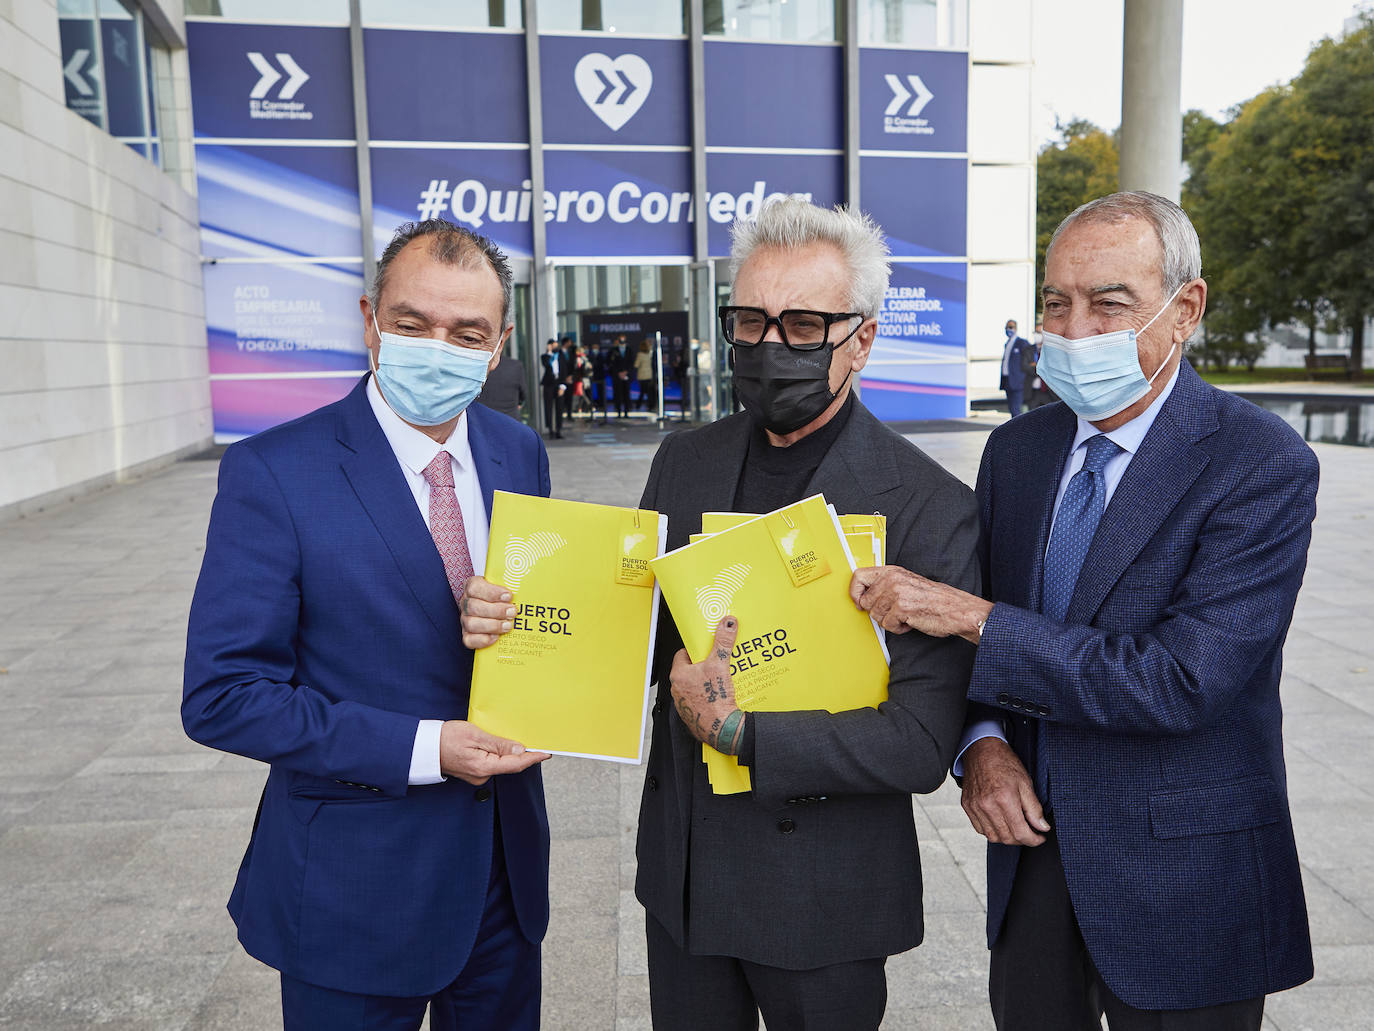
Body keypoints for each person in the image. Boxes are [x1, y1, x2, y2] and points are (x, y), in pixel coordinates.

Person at [463, 199, 979, 1029]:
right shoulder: (686, 458)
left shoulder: (928, 505)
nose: (770, 347)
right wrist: (515, 624)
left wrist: (740, 733)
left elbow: (919, 742)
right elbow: (629, 636)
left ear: (863, 340)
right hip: (688, 880)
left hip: (824, 901)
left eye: (803, 324)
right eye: (748, 320)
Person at [851, 191, 1316, 1031]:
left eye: (1109, 304)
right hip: (1032, 869)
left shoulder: (1260, 462)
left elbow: (1180, 681)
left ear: (1186, 310)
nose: (1071, 331)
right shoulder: (1018, 452)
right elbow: (985, 664)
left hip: (1184, 885)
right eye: (1056, 302)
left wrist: (971, 616)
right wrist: (982, 747)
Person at [182, 219, 553, 1031]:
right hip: (353, 891)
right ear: (370, 320)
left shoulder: (518, 451)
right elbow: (224, 693)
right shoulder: (275, 472)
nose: (437, 346)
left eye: (467, 332)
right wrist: (427, 747)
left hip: (502, 879)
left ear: (499, 346)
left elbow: (532, 625)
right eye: (413, 323)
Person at [477, 344, 526, 421]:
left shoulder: (477, 367)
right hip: (510, 420)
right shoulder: (516, 366)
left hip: (482, 420)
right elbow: (523, 393)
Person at [999, 319, 1035, 417]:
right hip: (1007, 380)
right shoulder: (1007, 344)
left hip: (1018, 382)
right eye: (1006, 327)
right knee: (1012, 408)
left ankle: (1019, 431)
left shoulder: (1021, 343)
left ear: (1016, 328)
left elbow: (1030, 358)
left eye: (1011, 327)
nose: (1008, 330)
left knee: (1016, 410)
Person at [539, 337, 564, 439]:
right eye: (553, 345)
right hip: (548, 383)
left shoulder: (560, 356)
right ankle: (550, 430)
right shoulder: (545, 356)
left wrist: (563, 386)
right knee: (548, 407)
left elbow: (564, 370)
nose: (555, 346)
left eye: (556, 345)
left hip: (559, 383)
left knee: (559, 407)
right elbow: (546, 365)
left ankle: (558, 430)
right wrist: (549, 352)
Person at [609, 334, 633, 418]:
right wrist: (618, 373)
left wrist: (626, 372)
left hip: (626, 375)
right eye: (620, 339)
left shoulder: (629, 350)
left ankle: (626, 411)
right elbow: (611, 363)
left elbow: (631, 362)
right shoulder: (613, 350)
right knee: (617, 394)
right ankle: (618, 411)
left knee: (626, 393)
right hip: (617, 376)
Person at [634, 338, 656, 411]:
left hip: (643, 376)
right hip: (647, 376)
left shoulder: (642, 354)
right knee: (646, 392)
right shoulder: (649, 354)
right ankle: (647, 405)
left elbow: (636, 365)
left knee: (645, 392)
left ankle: (640, 405)